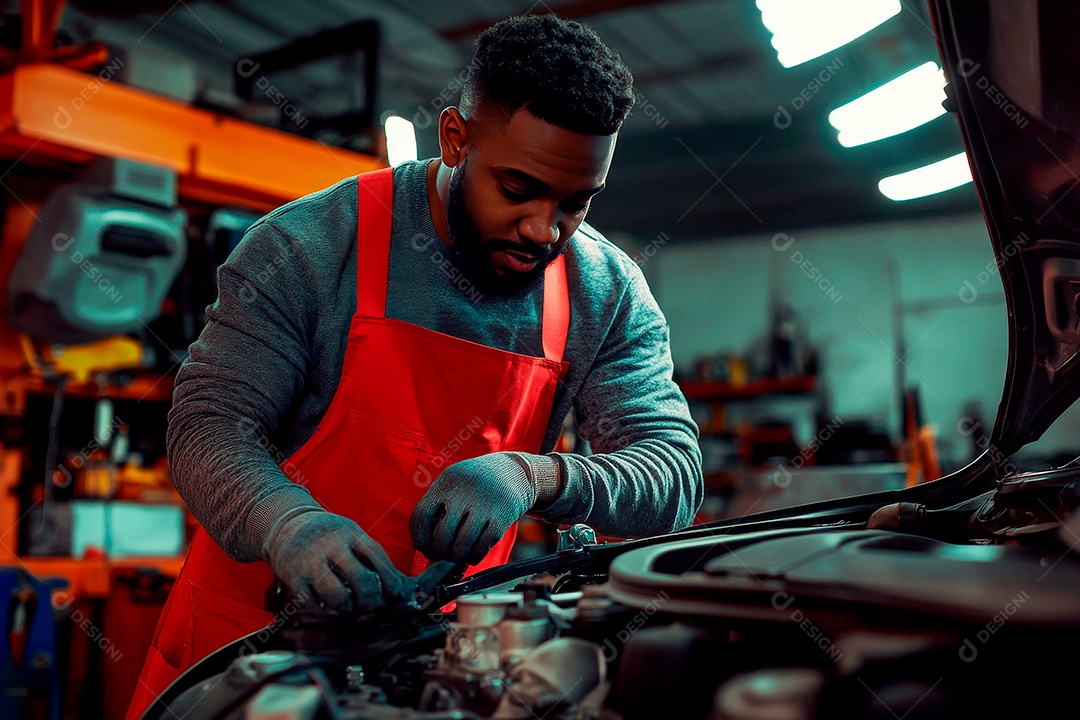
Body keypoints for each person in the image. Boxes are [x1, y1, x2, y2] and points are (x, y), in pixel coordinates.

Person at [127, 13, 702, 719]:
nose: (543, 229)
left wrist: (538, 475)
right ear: (456, 139)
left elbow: (671, 476)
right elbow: (207, 426)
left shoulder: (605, 293)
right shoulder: (309, 247)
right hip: (245, 657)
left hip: (439, 664)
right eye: (517, 189)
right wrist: (287, 524)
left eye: (574, 204)